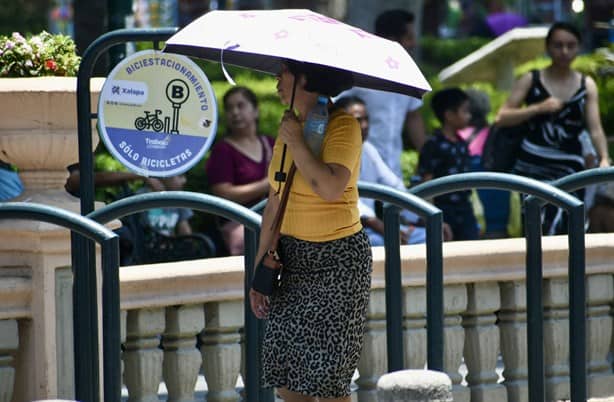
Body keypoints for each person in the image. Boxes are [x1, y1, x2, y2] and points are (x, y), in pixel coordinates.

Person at [249, 60, 371, 402]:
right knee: (287, 379)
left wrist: (297, 142)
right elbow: (274, 201)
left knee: (328, 380)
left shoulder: (343, 125)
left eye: (283, 73)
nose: (276, 81)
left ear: (305, 78)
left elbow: (330, 187)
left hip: (338, 265)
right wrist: (259, 271)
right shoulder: (290, 125)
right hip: (292, 260)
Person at [495, 21, 610, 235]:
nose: (564, 51)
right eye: (558, 45)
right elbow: (501, 117)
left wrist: (604, 158)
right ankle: (538, 268)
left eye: (571, 45)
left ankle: (570, 267)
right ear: (548, 47)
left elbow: (596, 129)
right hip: (533, 167)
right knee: (536, 227)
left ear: (579, 47)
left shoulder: (587, 85)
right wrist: (537, 108)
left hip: (571, 168)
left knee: (571, 224)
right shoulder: (531, 79)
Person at [336, 9, 425, 180]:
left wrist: (427, 153)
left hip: (393, 168)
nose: (414, 43)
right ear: (391, 40)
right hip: (360, 166)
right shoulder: (360, 68)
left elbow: (413, 116)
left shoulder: (409, 72)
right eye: (409, 37)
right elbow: (337, 108)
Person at [335, 95, 428, 246]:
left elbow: (394, 187)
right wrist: (379, 225)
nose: (364, 125)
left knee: (429, 236)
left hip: (373, 228)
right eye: (358, 120)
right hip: (348, 232)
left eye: (366, 119)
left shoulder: (368, 149)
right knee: (383, 244)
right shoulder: (332, 152)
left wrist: (424, 216)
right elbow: (344, 199)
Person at [205, 86, 275, 255]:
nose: (235, 112)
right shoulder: (223, 150)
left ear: (256, 111)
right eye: (229, 108)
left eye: (241, 106)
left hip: (274, 223)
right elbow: (223, 193)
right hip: (241, 228)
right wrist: (266, 185)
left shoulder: (271, 144)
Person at [418, 87, 480, 241]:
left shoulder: (462, 143)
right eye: (465, 111)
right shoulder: (433, 144)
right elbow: (427, 180)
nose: (469, 115)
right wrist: (430, 214)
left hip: (465, 208)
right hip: (443, 209)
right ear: (449, 115)